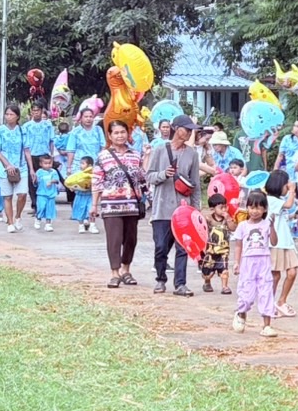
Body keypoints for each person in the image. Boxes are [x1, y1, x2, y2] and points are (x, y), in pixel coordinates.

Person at [147, 114, 202, 296]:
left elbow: (195, 184)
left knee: (183, 247)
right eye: (187, 129)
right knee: (161, 247)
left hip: (183, 209)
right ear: (176, 129)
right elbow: (149, 176)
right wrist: (164, 174)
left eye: (191, 130)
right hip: (162, 209)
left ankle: (180, 283)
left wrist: (196, 209)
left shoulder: (192, 154)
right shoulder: (160, 150)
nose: (189, 133)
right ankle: (160, 278)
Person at [93, 120, 146, 289]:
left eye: (123, 132)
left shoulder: (135, 155)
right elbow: (96, 182)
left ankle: (126, 270)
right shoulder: (103, 156)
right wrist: (94, 205)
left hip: (132, 205)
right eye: (116, 133)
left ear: (128, 134)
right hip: (111, 205)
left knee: (131, 239)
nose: (120, 136)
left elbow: (142, 178)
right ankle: (114, 273)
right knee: (114, 240)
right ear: (109, 136)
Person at [230, 189, 280, 338]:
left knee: (266, 292)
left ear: (264, 209)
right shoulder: (243, 226)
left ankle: (267, 325)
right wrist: (236, 262)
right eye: (251, 207)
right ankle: (241, 313)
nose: (254, 211)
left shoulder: (266, 224)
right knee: (247, 293)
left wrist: (272, 227)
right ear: (247, 208)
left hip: (263, 261)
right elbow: (238, 246)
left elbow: (274, 242)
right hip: (247, 262)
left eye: (258, 208)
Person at [266, 170, 298, 317]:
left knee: (292, 272)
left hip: (286, 242)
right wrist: (292, 190)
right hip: (276, 243)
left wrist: (297, 214)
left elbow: (286, 214)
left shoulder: (278, 201)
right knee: (275, 275)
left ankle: (281, 301)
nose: (287, 187)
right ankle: (269, 303)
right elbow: (288, 204)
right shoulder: (270, 200)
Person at [0, 106, 30, 233]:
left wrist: (31, 169)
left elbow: (27, 150)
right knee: (7, 196)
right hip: (4, 168)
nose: (8, 117)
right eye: (7, 114)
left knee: (22, 194)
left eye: (11, 114)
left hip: (21, 167)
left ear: (17, 116)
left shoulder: (23, 130)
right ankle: (10, 222)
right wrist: (7, 165)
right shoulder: (0, 130)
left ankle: (18, 216)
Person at [199, 193, 233, 294]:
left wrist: (229, 219)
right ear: (213, 209)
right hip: (210, 250)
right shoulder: (208, 219)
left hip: (223, 250)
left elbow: (233, 228)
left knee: (224, 269)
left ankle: (225, 286)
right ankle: (207, 282)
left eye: (225, 207)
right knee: (208, 271)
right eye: (221, 208)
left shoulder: (227, 219)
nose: (224, 210)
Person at [23, 104, 57, 192]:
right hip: (32, 156)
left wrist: (52, 155)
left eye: (38, 110)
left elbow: (51, 141)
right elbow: (26, 147)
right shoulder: (26, 126)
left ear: (41, 111)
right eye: (34, 110)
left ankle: (45, 196)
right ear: (31, 112)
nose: (36, 112)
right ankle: (34, 200)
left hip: (45, 155)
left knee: (46, 178)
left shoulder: (48, 125)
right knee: (33, 179)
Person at [33, 154, 63, 232]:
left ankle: (48, 224)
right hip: (41, 193)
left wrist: (51, 181)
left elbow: (56, 180)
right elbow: (36, 182)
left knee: (50, 209)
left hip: (51, 194)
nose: (48, 165)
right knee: (41, 207)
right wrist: (35, 180)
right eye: (45, 163)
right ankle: (38, 218)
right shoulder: (39, 172)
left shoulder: (53, 171)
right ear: (41, 164)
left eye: (49, 163)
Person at [70, 156, 96, 232]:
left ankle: (92, 225)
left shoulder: (93, 174)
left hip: (90, 196)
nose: (80, 165)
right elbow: (72, 182)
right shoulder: (78, 174)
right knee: (80, 211)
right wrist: (72, 187)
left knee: (91, 210)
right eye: (80, 163)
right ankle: (81, 226)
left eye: (83, 163)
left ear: (90, 165)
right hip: (80, 195)